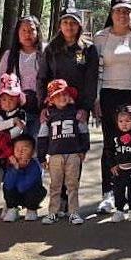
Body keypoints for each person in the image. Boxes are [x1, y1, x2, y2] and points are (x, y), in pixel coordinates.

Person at [92, 0, 131, 215]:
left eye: (127, 11)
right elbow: (94, 71)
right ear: (111, 13)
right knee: (110, 145)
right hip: (108, 95)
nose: (122, 15)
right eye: (118, 11)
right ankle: (109, 194)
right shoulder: (101, 37)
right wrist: (96, 99)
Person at [38, 79, 90, 226]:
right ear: (51, 100)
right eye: (57, 95)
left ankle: (73, 212)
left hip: (73, 154)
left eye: (65, 94)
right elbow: (42, 136)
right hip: (55, 155)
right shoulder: (49, 116)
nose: (62, 98)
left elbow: (83, 131)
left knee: (72, 184)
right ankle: (53, 212)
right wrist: (42, 157)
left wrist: (83, 149)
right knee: (55, 185)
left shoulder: (76, 113)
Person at [0, 73, 27, 219]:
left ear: (18, 99)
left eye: (11, 99)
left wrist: (6, 135)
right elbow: (0, 125)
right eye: (4, 99)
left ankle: (9, 205)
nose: (7, 102)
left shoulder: (22, 113)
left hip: (14, 151)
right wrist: (13, 121)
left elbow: (18, 131)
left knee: (11, 178)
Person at [0, 16, 45, 139]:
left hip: (40, 109)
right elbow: (1, 85)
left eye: (31, 30)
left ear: (37, 32)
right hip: (15, 111)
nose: (27, 34)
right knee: (17, 145)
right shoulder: (9, 56)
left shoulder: (45, 54)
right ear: (17, 33)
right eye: (23, 30)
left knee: (35, 144)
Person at [108, 104, 131, 222]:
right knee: (118, 190)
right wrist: (112, 164)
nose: (124, 124)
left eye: (128, 121)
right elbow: (109, 150)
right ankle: (119, 210)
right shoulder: (113, 134)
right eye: (121, 121)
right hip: (119, 169)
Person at [2, 134, 46, 222]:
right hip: (16, 195)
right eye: (17, 149)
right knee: (7, 186)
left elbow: (23, 187)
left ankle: (31, 209)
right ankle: (12, 209)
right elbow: (8, 185)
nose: (20, 152)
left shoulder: (35, 166)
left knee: (36, 190)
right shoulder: (11, 165)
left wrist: (20, 171)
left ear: (33, 152)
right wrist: (16, 168)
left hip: (28, 194)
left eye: (25, 149)